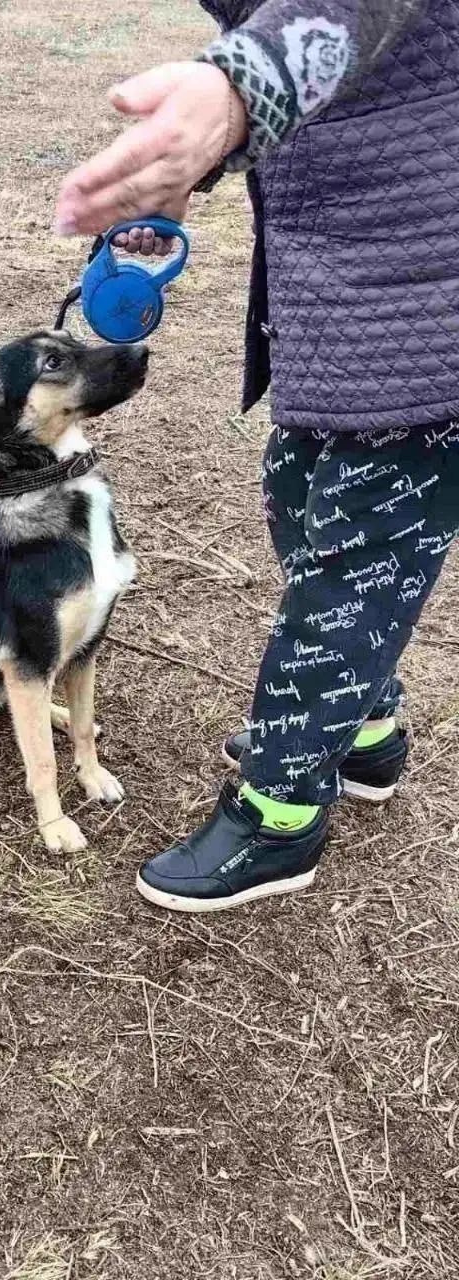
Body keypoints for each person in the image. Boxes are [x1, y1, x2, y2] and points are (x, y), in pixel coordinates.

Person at [54, 0, 459, 912]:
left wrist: (242, 89)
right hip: (347, 306)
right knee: (301, 502)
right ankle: (365, 734)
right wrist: (197, 162)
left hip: (428, 316)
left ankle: (280, 817)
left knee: (350, 577)